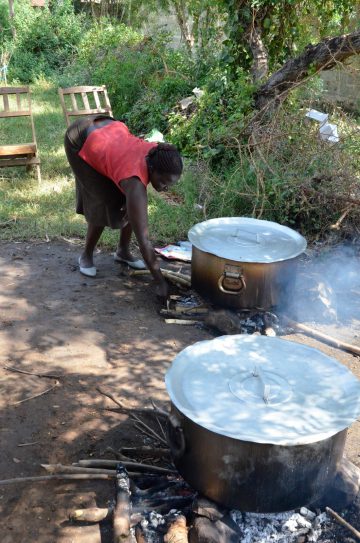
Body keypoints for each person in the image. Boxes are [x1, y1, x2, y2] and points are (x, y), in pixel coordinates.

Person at [64, 115, 183, 299]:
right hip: (80, 138)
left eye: (170, 184)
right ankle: (86, 255)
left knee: (128, 203)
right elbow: (144, 240)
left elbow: (135, 207)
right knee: (104, 200)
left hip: (106, 130)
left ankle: (123, 251)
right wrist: (160, 282)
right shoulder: (134, 180)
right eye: (164, 182)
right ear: (153, 170)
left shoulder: (158, 153)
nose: (166, 188)